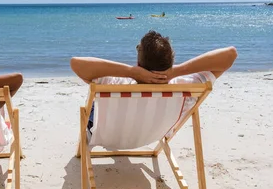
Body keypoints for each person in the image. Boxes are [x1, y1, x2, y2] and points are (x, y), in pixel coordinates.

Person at [70, 30, 237, 135]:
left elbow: (76, 63)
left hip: (108, 134)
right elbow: (230, 54)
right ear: (172, 59)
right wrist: (177, 71)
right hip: (157, 133)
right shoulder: (186, 84)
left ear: (139, 61)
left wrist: (130, 72)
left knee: (94, 104)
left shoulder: (114, 82)